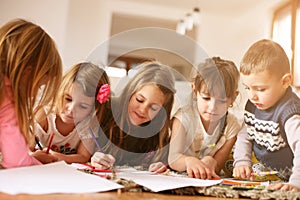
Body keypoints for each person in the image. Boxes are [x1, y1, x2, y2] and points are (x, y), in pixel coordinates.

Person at [233, 39, 300, 191]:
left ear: (285, 82)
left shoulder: (290, 112)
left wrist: (296, 182)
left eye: (260, 89)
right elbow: (245, 135)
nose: (252, 96)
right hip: (267, 163)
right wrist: (242, 162)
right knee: (233, 162)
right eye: (247, 88)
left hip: (291, 169)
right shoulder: (254, 104)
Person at [91, 61, 176, 173]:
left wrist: (161, 165)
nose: (143, 110)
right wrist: (94, 157)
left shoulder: (159, 133)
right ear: (130, 93)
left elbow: (163, 162)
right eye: (139, 100)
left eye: (154, 108)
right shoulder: (106, 111)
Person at [0, 18, 62, 168]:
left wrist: (29, 157)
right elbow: (16, 162)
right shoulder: (7, 98)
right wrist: (36, 164)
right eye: (40, 85)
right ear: (28, 74)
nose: (35, 93)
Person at [168, 57, 241, 179]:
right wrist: (188, 161)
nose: (212, 107)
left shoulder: (232, 125)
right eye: (206, 98)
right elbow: (173, 158)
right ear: (195, 90)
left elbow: (217, 166)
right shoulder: (183, 118)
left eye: (222, 101)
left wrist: (212, 162)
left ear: (234, 97)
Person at [34, 62, 111, 164]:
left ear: (93, 109)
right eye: (68, 99)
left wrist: (58, 157)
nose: (71, 109)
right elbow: (26, 148)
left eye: (83, 106)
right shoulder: (44, 114)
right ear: (59, 90)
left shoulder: (88, 123)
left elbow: (83, 156)